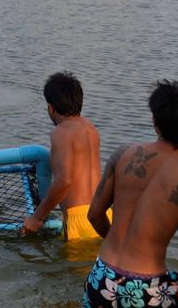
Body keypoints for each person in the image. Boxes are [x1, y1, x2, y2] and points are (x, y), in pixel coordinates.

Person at [85, 80, 178, 307]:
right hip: (145, 289)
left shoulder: (123, 154)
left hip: (101, 276)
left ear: (155, 121)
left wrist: (116, 244)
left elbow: (94, 215)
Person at [22, 71, 109, 241]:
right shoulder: (90, 128)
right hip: (103, 216)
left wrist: (36, 218)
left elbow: (64, 180)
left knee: (75, 268)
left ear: (51, 107)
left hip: (80, 221)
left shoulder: (61, 132)